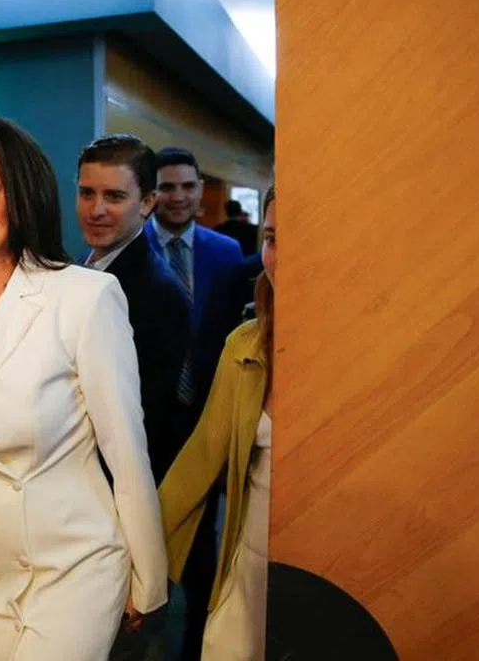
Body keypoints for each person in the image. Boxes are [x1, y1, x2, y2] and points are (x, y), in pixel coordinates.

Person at [0, 115, 167, 660]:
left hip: (72, 571)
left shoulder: (83, 297)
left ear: (22, 195)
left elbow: (125, 450)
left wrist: (149, 578)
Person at [75, 134, 190, 660]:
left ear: (147, 203)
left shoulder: (157, 293)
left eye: (114, 196)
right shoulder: (82, 269)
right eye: (87, 192)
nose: (96, 209)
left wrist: (135, 557)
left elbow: (143, 434)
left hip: (108, 521)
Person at [159, 185, 277, 661]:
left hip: (328, 573)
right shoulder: (244, 346)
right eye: (272, 239)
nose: (281, 257)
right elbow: (199, 460)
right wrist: (140, 562)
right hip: (250, 566)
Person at [143, 146, 244, 660]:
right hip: (146, 424)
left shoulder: (227, 253)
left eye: (188, 186)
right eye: (168, 186)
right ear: (151, 193)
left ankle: (195, 648)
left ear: (201, 190)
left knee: (203, 550)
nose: (179, 197)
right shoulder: (132, 246)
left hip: (205, 419)